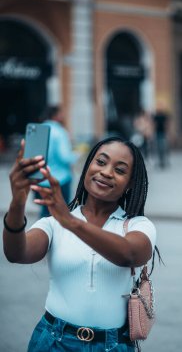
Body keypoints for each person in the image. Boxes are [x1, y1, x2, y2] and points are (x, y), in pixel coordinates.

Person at [3, 136, 157, 352]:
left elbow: (130, 254)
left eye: (120, 170)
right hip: (53, 341)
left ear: (130, 183)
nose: (106, 172)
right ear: (88, 166)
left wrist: (71, 222)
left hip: (113, 345)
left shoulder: (138, 225)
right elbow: (17, 253)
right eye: (101, 162)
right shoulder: (53, 224)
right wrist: (17, 203)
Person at [37, 106, 78, 217]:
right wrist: (77, 155)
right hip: (60, 179)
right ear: (55, 115)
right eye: (61, 113)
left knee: (45, 212)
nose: (63, 116)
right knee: (62, 213)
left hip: (41, 179)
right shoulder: (60, 132)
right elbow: (65, 157)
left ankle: (44, 233)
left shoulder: (39, 129)